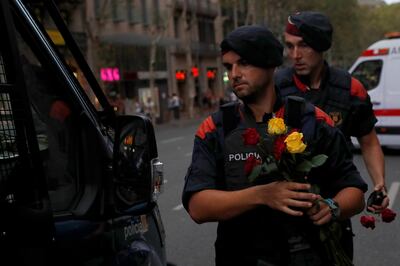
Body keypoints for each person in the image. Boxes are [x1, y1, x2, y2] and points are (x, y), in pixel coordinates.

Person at [182, 25, 367, 266]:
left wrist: (332, 207)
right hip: (239, 257)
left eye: (244, 63)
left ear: (270, 64)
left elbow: (354, 192)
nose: (234, 74)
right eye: (229, 67)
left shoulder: (314, 121)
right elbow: (198, 207)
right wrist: (263, 195)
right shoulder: (215, 128)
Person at [275, 11, 389, 213]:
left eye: (303, 45)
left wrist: (379, 183)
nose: (295, 55)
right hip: (286, 206)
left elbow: (369, 142)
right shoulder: (274, 88)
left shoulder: (351, 89)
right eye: (290, 46)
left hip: (336, 205)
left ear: (321, 46)